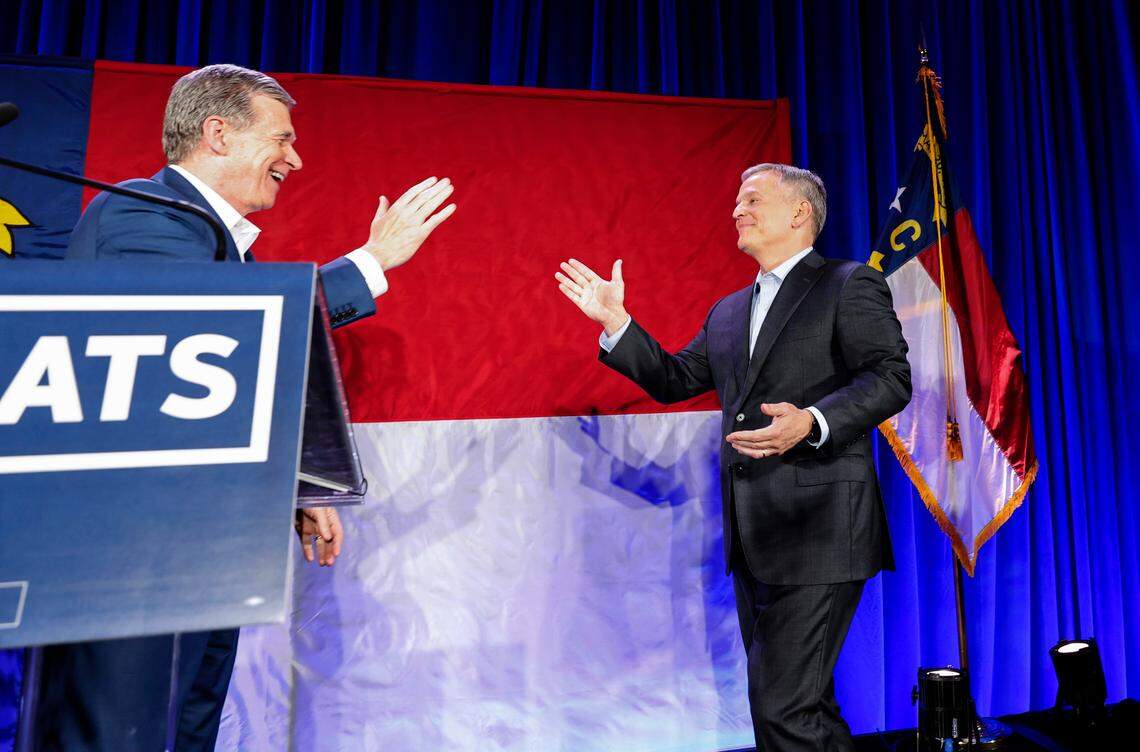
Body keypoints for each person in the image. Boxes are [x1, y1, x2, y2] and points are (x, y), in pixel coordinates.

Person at [37, 63, 456, 752]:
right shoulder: (142, 213)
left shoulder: (209, 237)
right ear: (218, 133)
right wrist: (374, 261)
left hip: (195, 548)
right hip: (130, 555)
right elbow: (223, 338)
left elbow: (211, 394)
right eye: (282, 138)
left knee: (183, 728)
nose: (295, 158)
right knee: (121, 734)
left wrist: (291, 484)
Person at [554, 163, 910, 751]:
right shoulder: (728, 310)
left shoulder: (848, 284)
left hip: (822, 530)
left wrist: (813, 423)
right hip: (755, 538)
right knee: (802, 709)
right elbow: (674, 378)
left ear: (800, 212)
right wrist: (618, 323)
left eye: (751, 200)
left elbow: (891, 377)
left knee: (783, 709)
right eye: (737, 202)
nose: (736, 211)